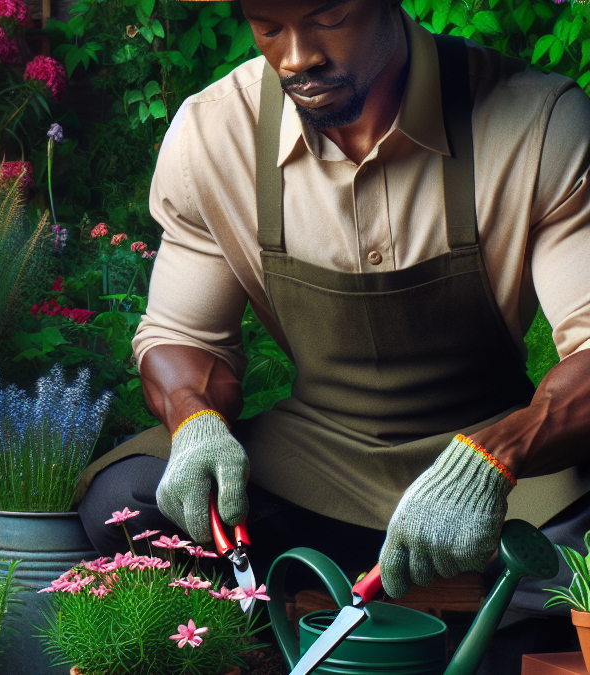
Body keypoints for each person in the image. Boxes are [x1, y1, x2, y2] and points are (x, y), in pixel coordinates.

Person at [76, 1, 590, 670]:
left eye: (327, 16)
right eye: (267, 25)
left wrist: (494, 456)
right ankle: (264, 653)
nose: (295, 56)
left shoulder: (540, 121)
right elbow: (183, 336)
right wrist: (193, 419)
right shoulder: (215, 134)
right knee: (127, 499)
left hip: (504, 465)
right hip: (317, 459)